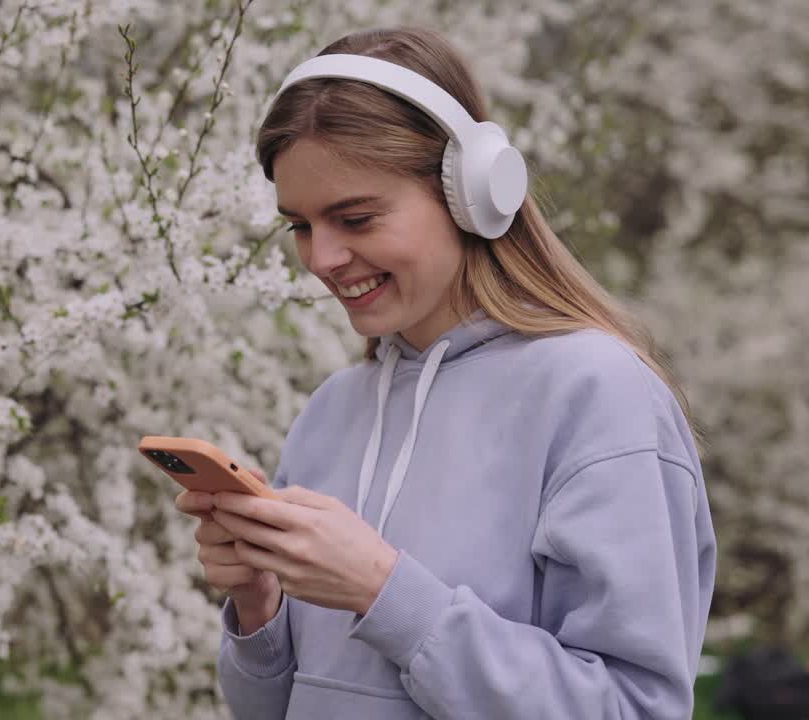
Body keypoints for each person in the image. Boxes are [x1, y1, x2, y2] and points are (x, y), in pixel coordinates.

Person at [174, 27, 717, 719]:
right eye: (300, 227)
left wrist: (384, 589)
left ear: (471, 194)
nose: (322, 258)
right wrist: (258, 607)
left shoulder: (597, 395)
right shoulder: (333, 411)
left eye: (356, 217)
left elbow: (632, 707)